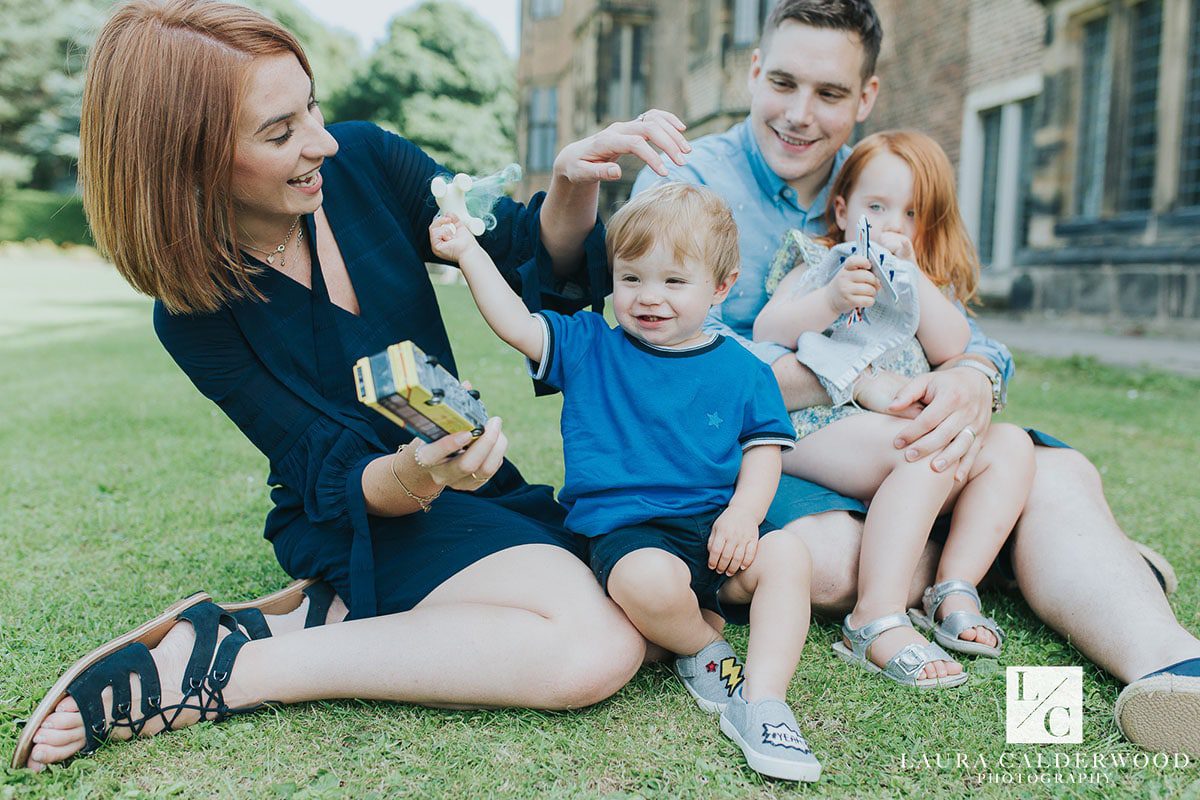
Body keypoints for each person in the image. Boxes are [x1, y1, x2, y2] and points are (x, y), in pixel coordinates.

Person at [14, 0, 694, 771]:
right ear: (190, 159)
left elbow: (522, 255)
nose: (322, 142)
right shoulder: (195, 315)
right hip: (363, 512)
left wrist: (573, 181)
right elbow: (323, 468)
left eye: (313, 107)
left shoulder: (366, 162)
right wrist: (419, 474)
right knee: (597, 648)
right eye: (281, 132)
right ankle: (232, 671)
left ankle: (313, 618)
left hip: (473, 486)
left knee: (645, 597)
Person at [632, 0, 1200, 754]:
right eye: (784, 84)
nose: (801, 115)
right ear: (752, 72)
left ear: (865, 97)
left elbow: (970, 336)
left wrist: (971, 376)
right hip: (764, 452)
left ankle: (1170, 669)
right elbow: (664, 356)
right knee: (830, 565)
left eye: (831, 94)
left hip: (892, 434)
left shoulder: (877, 178)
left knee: (1030, 462)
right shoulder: (688, 182)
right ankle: (1038, 565)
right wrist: (844, 378)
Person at [429, 181, 821, 782]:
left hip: (719, 533)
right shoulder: (589, 346)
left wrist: (744, 516)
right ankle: (700, 648)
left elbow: (765, 451)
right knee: (647, 581)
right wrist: (468, 254)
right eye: (631, 278)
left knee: (789, 554)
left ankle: (764, 702)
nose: (648, 297)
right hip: (631, 536)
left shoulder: (744, 369)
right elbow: (514, 321)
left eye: (673, 281)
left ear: (720, 287)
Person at [755, 130, 1034, 686]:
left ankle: (951, 588)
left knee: (1011, 445)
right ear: (843, 208)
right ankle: (873, 618)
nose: (891, 225)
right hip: (823, 426)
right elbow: (769, 328)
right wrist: (830, 299)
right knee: (921, 447)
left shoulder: (922, 284)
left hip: (896, 429)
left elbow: (956, 346)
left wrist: (914, 279)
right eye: (875, 207)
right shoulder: (819, 260)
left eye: (910, 213)